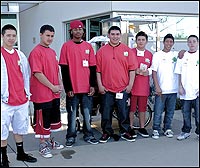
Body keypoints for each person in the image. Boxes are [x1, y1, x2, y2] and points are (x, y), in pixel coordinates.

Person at [1, 24, 37, 167]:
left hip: (21, 99)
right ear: (2, 36)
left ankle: (20, 153)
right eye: (8, 35)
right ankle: (4, 158)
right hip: (5, 100)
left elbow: (26, 75)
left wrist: (27, 94)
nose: (11, 38)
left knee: (20, 128)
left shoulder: (20, 55)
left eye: (13, 36)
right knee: (2, 130)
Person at [59, 20, 99, 147]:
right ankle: (71, 136)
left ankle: (89, 135)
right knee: (72, 114)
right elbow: (64, 69)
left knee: (87, 114)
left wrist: (93, 85)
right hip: (73, 88)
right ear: (71, 31)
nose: (78, 31)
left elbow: (93, 67)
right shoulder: (66, 46)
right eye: (75, 29)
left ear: (83, 31)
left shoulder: (88, 46)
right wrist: (68, 88)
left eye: (80, 29)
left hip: (87, 88)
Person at [96, 25, 138, 143]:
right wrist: (100, 85)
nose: (115, 36)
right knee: (106, 112)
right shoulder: (101, 51)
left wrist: (130, 85)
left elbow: (132, 69)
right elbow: (98, 70)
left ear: (120, 36)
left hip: (123, 88)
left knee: (123, 112)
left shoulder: (127, 50)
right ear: (108, 35)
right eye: (112, 34)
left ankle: (125, 131)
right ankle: (106, 132)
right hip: (106, 89)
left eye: (117, 34)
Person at [28, 24, 64, 158]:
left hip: (54, 93)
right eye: (47, 35)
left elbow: (56, 70)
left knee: (52, 119)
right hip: (42, 94)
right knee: (43, 120)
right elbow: (37, 73)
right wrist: (52, 86)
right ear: (41, 35)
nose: (50, 38)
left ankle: (49, 140)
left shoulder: (52, 52)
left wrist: (60, 84)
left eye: (52, 36)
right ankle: (43, 144)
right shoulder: (36, 52)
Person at [150, 33, 180, 139]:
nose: (169, 43)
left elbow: (185, 55)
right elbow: (154, 72)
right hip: (161, 90)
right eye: (167, 41)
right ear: (163, 42)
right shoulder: (157, 55)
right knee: (158, 111)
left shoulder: (175, 55)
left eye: (171, 42)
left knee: (170, 111)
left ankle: (167, 128)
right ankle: (156, 129)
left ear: (173, 43)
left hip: (173, 89)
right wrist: (157, 86)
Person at [174, 35, 199, 140]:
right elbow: (179, 73)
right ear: (187, 43)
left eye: (194, 41)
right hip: (185, 91)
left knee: (198, 115)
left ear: (197, 43)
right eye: (190, 42)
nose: (192, 44)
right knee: (186, 114)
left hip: (197, 91)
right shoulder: (182, 56)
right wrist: (180, 87)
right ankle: (186, 131)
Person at [129, 31, 153, 138]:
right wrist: (135, 70)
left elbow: (153, 68)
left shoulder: (149, 54)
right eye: (139, 39)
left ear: (146, 41)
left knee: (143, 108)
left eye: (143, 40)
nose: (141, 42)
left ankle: (142, 127)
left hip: (144, 86)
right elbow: (126, 66)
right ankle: (130, 127)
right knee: (132, 108)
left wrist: (149, 71)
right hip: (132, 85)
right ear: (136, 41)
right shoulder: (130, 52)